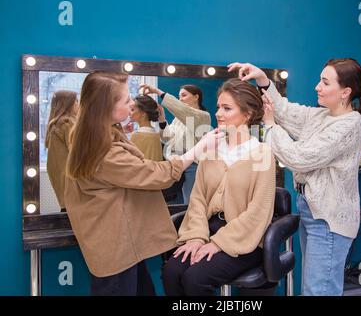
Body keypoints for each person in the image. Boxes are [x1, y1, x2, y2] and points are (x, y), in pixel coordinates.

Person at [64, 71, 223, 296]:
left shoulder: (96, 134)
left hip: (121, 244)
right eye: (126, 100)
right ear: (106, 107)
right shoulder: (102, 149)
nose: (131, 104)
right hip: (115, 246)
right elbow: (152, 172)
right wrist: (197, 149)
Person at [228, 59, 361, 296]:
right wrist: (262, 79)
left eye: (325, 82)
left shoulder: (350, 126)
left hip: (329, 217)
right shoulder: (322, 116)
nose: (317, 87)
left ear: (345, 92)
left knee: (319, 290)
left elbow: (299, 157)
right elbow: (284, 110)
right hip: (311, 209)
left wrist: (271, 126)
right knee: (316, 287)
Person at [162, 78, 276, 296]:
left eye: (227, 108)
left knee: (195, 279)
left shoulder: (263, 153)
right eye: (218, 107)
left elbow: (258, 211)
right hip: (207, 228)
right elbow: (198, 200)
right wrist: (196, 237)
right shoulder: (211, 149)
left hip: (244, 237)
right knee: (172, 271)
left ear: (248, 114)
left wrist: (218, 243)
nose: (218, 114)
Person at [140, 83, 211, 205]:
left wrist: (157, 91)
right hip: (176, 163)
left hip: (193, 166)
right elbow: (167, 137)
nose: (180, 99)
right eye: (179, 96)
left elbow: (182, 109)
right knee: (176, 201)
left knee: (191, 202)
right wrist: (162, 119)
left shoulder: (203, 117)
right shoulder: (178, 120)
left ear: (196, 97)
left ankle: (191, 223)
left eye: (184, 95)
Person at [45, 90, 79, 212]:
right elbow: (79, 150)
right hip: (71, 180)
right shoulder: (67, 123)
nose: (78, 104)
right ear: (68, 104)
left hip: (61, 178)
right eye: (76, 101)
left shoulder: (54, 124)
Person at [129, 94, 163, 161]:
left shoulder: (136, 135)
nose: (129, 113)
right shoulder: (156, 134)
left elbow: (130, 163)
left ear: (143, 113)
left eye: (132, 110)